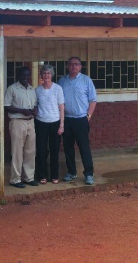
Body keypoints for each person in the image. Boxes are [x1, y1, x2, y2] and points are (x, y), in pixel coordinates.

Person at [57, 56, 97, 185]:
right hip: (66, 120)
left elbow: (93, 100)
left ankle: (89, 174)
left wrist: (88, 116)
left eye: (76, 64)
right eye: (71, 64)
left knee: (84, 147)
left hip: (81, 120)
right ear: (67, 66)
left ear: (80, 66)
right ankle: (71, 172)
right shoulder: (62, 81)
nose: (73, 66)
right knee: (68, 148)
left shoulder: (86, 80)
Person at [4, 66, 38, 188]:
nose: (26, 77)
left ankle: (29, 178)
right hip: (17, 122)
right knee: (17, 151)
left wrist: (34, 110)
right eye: (23, 75)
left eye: (28, 75)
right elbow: (6, 106)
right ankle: (15, 179)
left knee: (30, 151)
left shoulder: (32, 89)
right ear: (19, 76)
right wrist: (22, 111)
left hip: (30, 122)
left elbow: (35, 105)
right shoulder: (12, 88)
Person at [35, 64, 65, 184]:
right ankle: (42, 175)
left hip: (55, 122)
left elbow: (62, 107)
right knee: (41, 150)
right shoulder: (37, 90)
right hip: (41, 122)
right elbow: (35, 106)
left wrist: (61, 125)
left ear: (52, 75)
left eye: (48, 73)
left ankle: (54, 175)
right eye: (44, 73)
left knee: (54, 150)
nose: (46, 75)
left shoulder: (58, 89)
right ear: (41, 75)